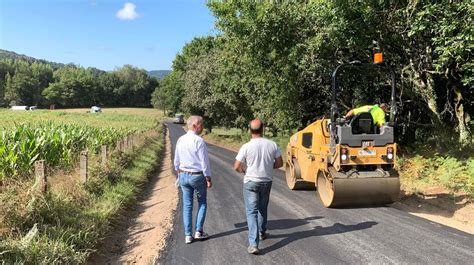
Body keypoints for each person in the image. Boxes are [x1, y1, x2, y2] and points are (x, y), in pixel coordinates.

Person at [233, 119, 283, 255]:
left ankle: (253, 244)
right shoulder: (272, 144)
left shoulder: (246, 146)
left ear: (250, 130)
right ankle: (262, 232)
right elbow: (279, 163)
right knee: (262, 208)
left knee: (251, 212)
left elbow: (236, 166)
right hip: (266, 181)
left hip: (251, 182)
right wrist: (268, 167)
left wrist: (244, 170)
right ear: (263, 129)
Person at [174, 115, 212, 244]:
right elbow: (204, 163)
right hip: (197, 175)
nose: (203, 127)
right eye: (201, 125)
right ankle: (198, 231)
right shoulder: (199, 141)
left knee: (187, 205)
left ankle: (188, 235)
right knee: (202, 202)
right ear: (195, 126)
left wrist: (178, 172)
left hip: (183, 174)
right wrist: (208, 177)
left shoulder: (180, 139)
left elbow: (176, 160)